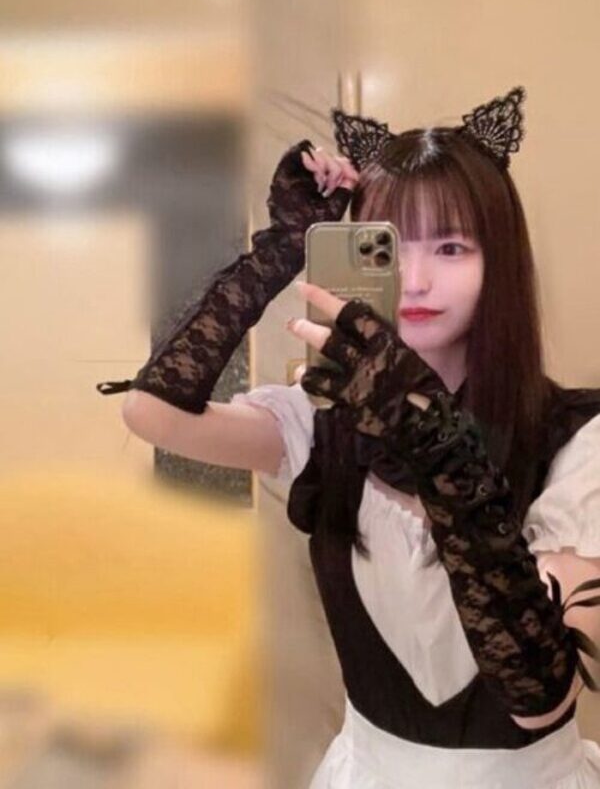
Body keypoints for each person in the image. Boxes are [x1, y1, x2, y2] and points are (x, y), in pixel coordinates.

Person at [96, 86, 600, 787]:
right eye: (388, 247)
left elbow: (541, 699)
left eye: (451, 246)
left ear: (500, 262)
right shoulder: (324, 422)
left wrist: (436, 445)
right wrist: (282, 247)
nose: (416, 279)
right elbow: (152, 412)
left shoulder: (578, 439)